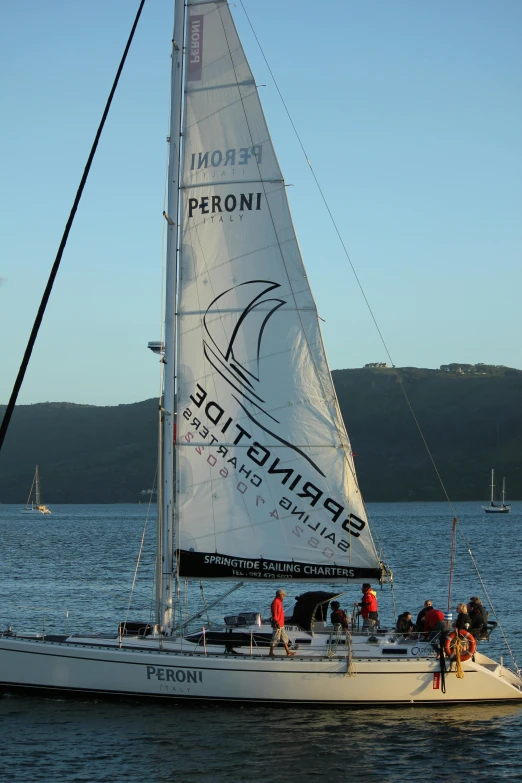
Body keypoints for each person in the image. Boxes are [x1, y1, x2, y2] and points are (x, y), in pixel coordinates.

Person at [269, 589, 295, 657]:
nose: (283, 597)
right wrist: (276, 622)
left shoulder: (279, 602)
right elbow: (274, 614)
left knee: (284, 637)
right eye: (283, 595)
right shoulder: (275, 602)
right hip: (277, 624)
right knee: (275, 638)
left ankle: (288, 651)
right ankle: (271, 652)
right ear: (279, 595)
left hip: (281, 624)